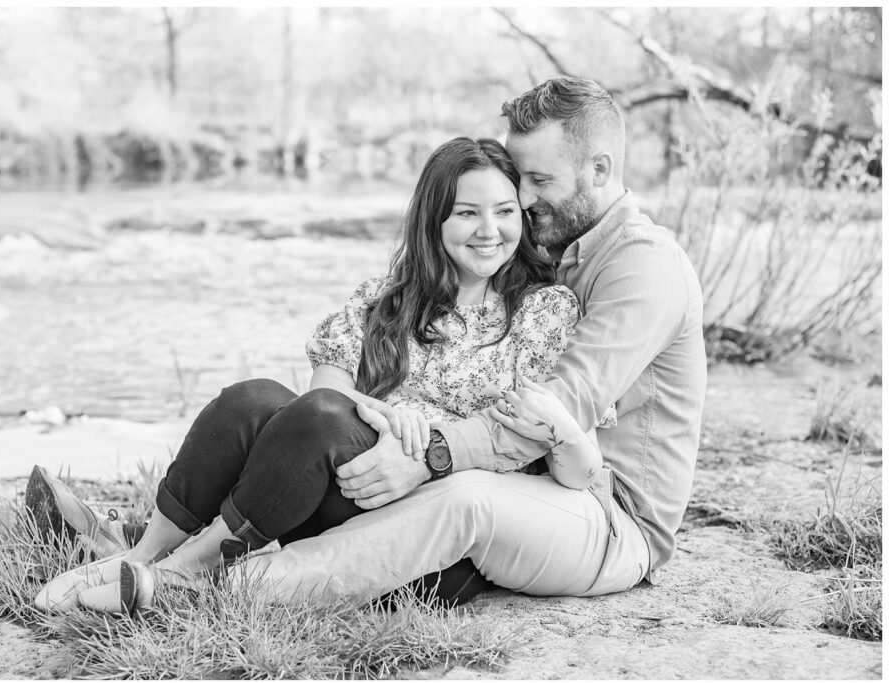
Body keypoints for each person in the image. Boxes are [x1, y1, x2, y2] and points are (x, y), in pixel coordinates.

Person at [161, 75, 706, 603]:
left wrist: (429, 455)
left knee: (459, 498)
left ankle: (221, 581)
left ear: (600, 169)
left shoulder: (642, 268)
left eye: (538, 181)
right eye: (519, 182)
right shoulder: (551, 249)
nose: (524, 197)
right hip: (534, 493)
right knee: (267, 404)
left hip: (606, 514)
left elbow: (561, 407)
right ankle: (150, 553)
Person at [32, 135, 601, 615]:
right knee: (252, 399)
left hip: (433, 544)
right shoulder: (389, 298)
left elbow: (529, 435)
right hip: (353, 492)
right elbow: (325, 387)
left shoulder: (541, 312)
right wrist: (385, 415)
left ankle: (186, 573)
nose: (488, 230)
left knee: (325, 419)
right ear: (435, 219)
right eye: (467, 212)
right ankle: (140, 556)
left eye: (504, 212)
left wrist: (424, 442)